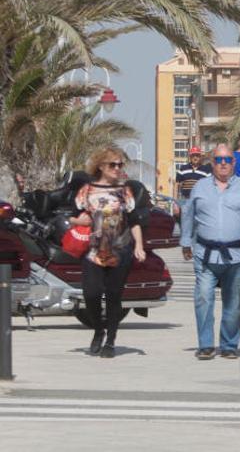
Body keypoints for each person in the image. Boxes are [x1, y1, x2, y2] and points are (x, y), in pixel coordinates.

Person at [181, 144, 240, 360]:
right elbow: (188, 213)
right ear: (212, 163)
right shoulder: (200, 187)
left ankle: (229, 344)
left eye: (227, 159)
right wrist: (185, 242)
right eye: (219, 160)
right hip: (205, 254)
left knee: (233, 303)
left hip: (236, 255)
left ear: (234, 162)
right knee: (203, 299)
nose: (224, 163)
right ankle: (206, 345)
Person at [71, 147, 148, 358]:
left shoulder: (125, 191)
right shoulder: (86, 190)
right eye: (112, 164)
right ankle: (98, 329)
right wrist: (79, 220)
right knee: (92, 294)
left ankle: (111, 341)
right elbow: (71, 216)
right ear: (100, 166)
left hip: (120, 251)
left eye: (120, 164)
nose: (117, 168)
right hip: (92, 251)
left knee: (114, 296)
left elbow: (134, 222)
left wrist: (139, 246)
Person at [175, 146, 211, 212]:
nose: (195, 157)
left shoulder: (206, 170)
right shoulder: (183, 168)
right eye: (193, 155)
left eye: (197, 155)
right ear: (190, 157)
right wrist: (176, 203)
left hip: (200, 202)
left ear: (200, 157)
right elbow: (177, 185)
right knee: (185, 221)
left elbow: (209, 187)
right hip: (185, 201)